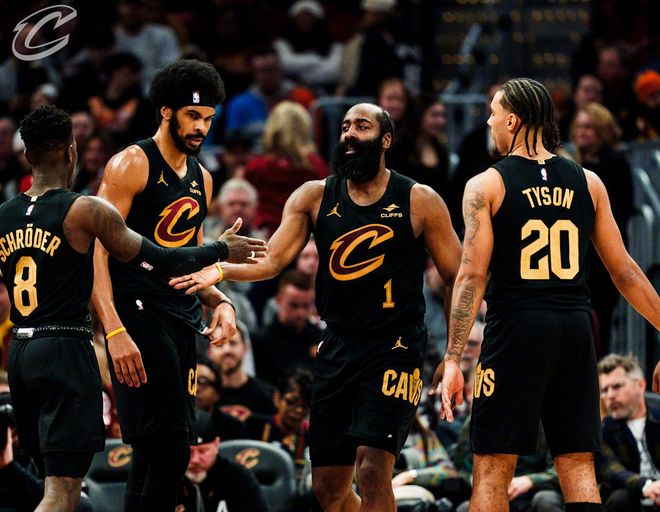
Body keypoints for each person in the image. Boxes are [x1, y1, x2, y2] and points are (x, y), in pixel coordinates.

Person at [171, 102, 462, 511]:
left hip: (395, 346)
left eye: (362, 126)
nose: (350, 134)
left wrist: (453, 355)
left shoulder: (420, 200)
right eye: (345, 126)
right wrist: (219, 269)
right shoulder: (314, 195)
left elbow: (457, 277)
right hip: (338, 344)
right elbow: (272, 260)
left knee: (373, 468)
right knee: (328, 488)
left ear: (386, 140)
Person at [0, 106, 265, 512]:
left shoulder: (4, 215)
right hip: (64, 348)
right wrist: (220, 250)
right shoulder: (86, 210)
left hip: (19, 350)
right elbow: (159, 258)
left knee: (45, 483)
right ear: (72, 152)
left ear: (26, 156)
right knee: (62, 493)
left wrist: (217, 296)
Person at [438, 77, 660, 512]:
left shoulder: (486, 184)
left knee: (492, 465)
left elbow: (471, 277)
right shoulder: (588, 181)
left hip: (517, 327)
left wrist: (452, 357)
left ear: (513, 121)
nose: (489, 122)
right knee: (577, 463)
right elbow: (626, 272)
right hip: (575, 326)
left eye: (494, 114)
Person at [91, 59, 266, 511]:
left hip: (180, 318)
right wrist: (113, 329)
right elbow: (97, 253)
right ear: (166, 111)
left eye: (208, 118)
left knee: (153, 453)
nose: (202, 127)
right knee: (171, 451)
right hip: (137, 315)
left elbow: (190, 264)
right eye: (192, 116)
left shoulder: (202, 178)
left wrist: (221, 300)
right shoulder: (131, 164)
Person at [597, 353, 660, 511]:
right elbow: (610, 468)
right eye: (604, 390)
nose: (610, 395)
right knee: (621, 498)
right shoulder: (604, 429)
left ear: (640, 385)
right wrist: (646, 485)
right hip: (631, 499)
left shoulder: (658, 415)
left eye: (617, 386)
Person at [176, 409, 269, 512]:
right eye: (188, 452)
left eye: (203, 451)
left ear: (216, 444)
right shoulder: (167, 478)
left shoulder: (237, 478)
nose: (195, 460)